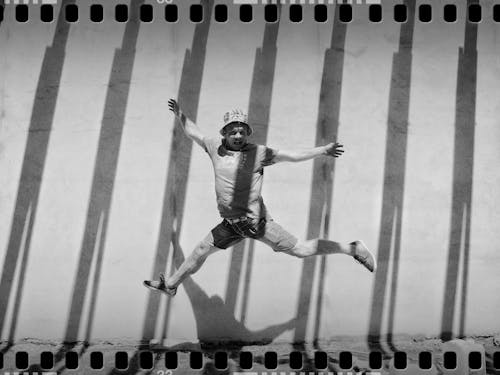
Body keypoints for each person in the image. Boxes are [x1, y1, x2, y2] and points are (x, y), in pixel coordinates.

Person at [144, 99, 376, 296]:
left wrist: (322, 150)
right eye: (232, 131)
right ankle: (171, 285)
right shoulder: (214, 146)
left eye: (242, 131)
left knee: (301, 250)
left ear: (246, 133)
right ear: (223, 133)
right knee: (201, 251)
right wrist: (180, 114)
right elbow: (193, 131)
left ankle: (353, 248)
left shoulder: (258, 153)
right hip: (231, 224)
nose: (237, 135)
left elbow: (291, 155)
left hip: (257, 224)